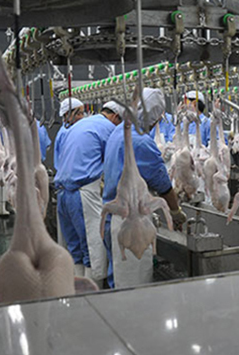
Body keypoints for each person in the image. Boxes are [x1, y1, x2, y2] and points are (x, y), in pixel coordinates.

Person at [103, 88, 188, 288]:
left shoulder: (118, 131)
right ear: (153, 117)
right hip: (133, 223)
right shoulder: (141, 142)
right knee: (135, 284)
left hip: (112, 216)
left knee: (117, 279)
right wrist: (175, 212)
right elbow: (163, 185)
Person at [54, 99, 123, 287]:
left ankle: (77, 291)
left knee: (75, 248)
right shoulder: (109, 128)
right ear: (115, 117)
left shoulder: (82, 124)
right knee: (92, 250)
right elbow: (115, 161)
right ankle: (93, 295)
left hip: (63, 194)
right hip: (82, 193)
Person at [54, 97, 84, 172]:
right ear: (67, 114)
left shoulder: (70, 129)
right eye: (78, 114)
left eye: (82, 113)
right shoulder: (66, 132)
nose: (82, 117)